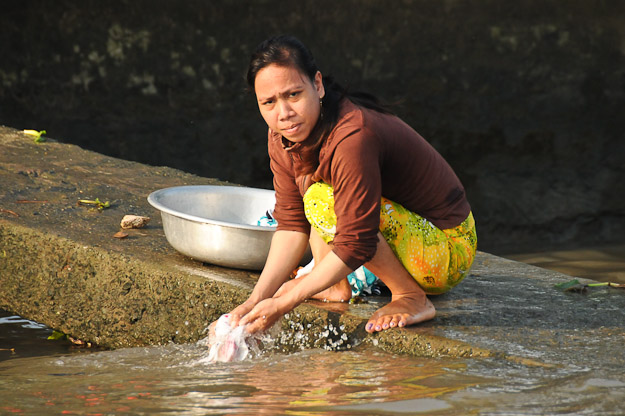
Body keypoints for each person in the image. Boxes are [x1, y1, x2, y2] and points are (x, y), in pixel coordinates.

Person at [228, 34, 477, 334]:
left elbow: (357, 241)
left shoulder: (352, 135)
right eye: (268, 102)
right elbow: (293, 225)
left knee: (322, 199)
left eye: (293, 95)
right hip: (401, 243)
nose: (283, 114)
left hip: (447, 251)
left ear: (317, 84)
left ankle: (411, 297)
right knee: (315, 197)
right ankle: (334, 286)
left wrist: (284, 303)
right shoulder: (283, 137)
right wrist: (255, 300)